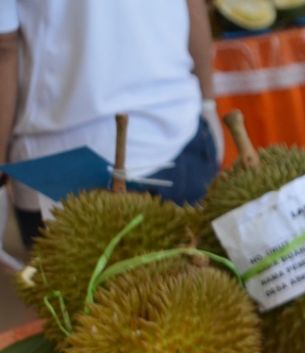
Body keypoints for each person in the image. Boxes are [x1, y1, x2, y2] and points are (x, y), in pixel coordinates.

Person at [0, 0, 221, 248]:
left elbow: (5, 48)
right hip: (174, 129)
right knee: (194, 277)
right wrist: (208, 103)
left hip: (56, 161)